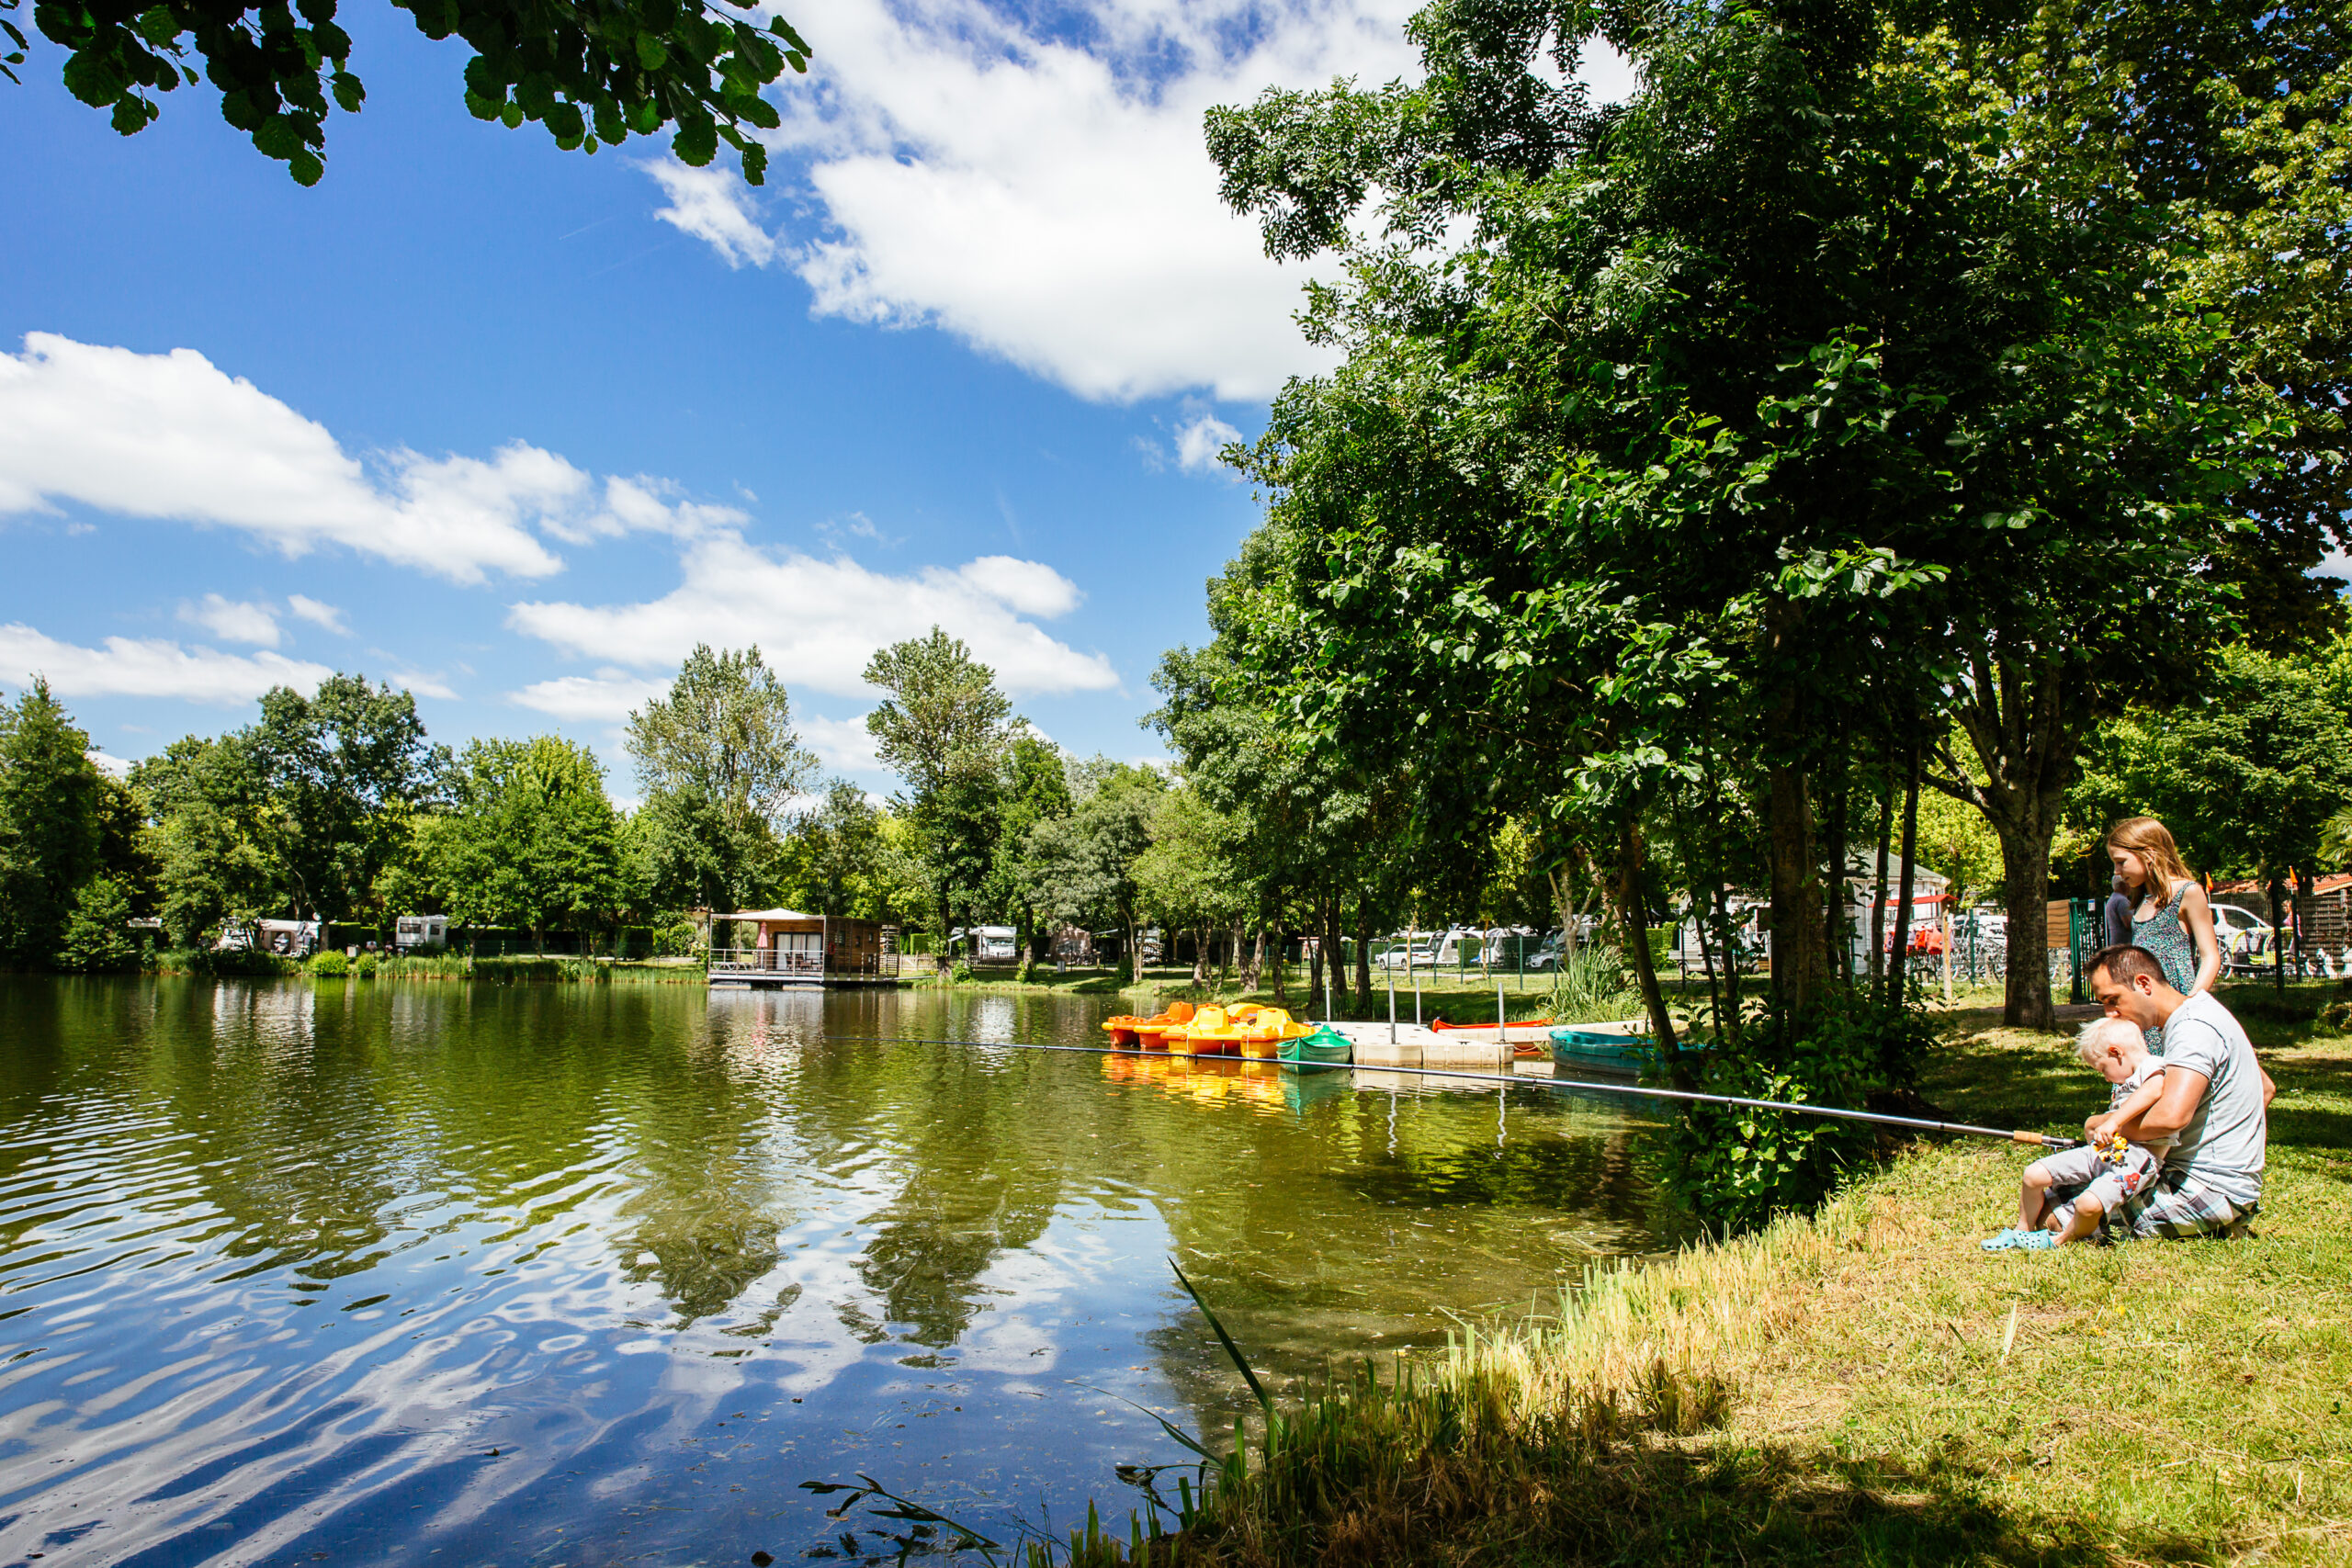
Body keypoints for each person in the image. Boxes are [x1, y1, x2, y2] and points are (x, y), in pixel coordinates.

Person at [2085, 944, 2274, 1239]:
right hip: (2233, 1191)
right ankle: (2225, 1221)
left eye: (2113, 1000)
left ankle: (2216, 1222)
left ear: (2143, 983)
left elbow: (2171, 1118)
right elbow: (2265, 1088)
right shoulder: (2205, 1010)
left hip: (2201, 1190)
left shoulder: (2192, 1029)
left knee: (2065, 1211)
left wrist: (2107, 1125)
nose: (2110, 1013)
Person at [1983, 1017, 2172, 1251]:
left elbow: (2154, 1091)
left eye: (2103, 1068)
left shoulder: (2152, 1065)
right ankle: (2022, 1230)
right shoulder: (2127, 1079)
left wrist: (2114, 1121)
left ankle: (2059, 1240)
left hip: (2137, 1159)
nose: (2105, 1077)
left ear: (2116, 1052)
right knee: (2033, 1174)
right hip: (2107, 1151)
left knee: (2088, 1204)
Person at [2106, 818, 2220, 1049]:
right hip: (2142, 1005)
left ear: (2148, 854)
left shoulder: (2188, 892)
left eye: (2121, 862)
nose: (2117, 871)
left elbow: (2211, 956)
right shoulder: (2139, 900)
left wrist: (2190, 1004)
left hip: (2175, 1003)